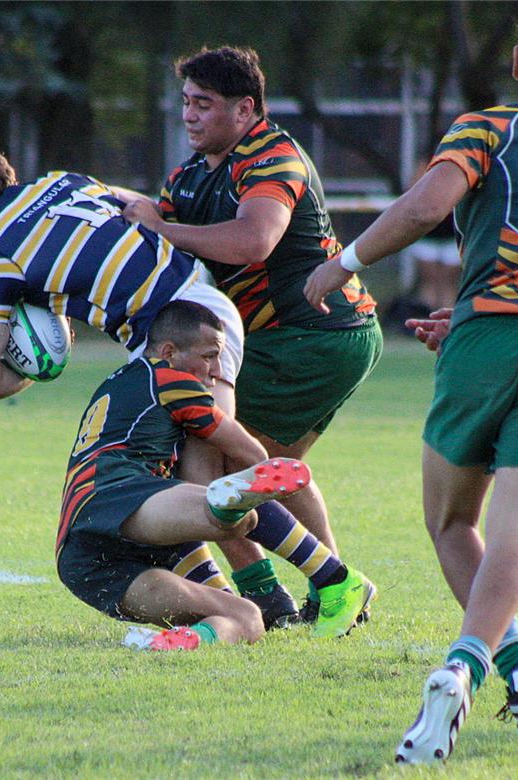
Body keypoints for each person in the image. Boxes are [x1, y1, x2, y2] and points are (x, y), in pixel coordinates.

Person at [304, 1, 518, 763]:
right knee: (515, 533)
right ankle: (504, 673)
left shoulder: (490, 127)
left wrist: (343, 264)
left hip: (490, 343)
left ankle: (468, 667)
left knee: (454, 524)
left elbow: (427, 206)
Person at [0, 146, 305, 630]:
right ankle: (261, 600)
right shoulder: (67, 179)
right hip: (194, 303)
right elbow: (136, 205)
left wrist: (43, 363)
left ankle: (317, 583)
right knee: (189, 481)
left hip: (180, 336)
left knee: (209, 482)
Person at [121, 46, 383, 625]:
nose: (190, 115)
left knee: (214, 467)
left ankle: (271, 597)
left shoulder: (271, 156)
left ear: (246, 109)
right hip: (306, 339)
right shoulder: (188, 176)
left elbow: (254, 241)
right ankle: (334, 592)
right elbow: (153, 243)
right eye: (186, 103)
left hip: (312, 333)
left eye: (205, 104)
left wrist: (164, 227)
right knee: (271, 470)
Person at [55, 301, 375, 647]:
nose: (215, 369)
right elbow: (254, 454)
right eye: (209, 355)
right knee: (235, 516)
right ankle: (333, 576)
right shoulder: (170, 378)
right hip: (117, 493)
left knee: (245, 618)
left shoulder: (116, 383)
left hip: (85, 561)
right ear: (169, 352)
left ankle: (184, 641)